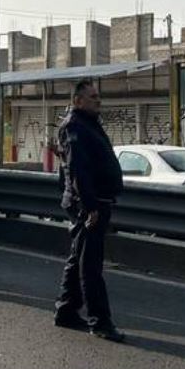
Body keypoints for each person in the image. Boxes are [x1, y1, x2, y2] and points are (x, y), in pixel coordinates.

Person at [54, 80, 125, 342]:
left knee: (78, 257)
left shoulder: (88, 123)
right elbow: (78, 170)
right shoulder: (75, 126)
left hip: (97, 201)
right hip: (88, 204)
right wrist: (90, 206)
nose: (99, 100)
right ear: (78, 101)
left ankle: (66, 310)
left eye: (98, 96)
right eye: (93, 96)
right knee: (90, 264)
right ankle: (100, 321)